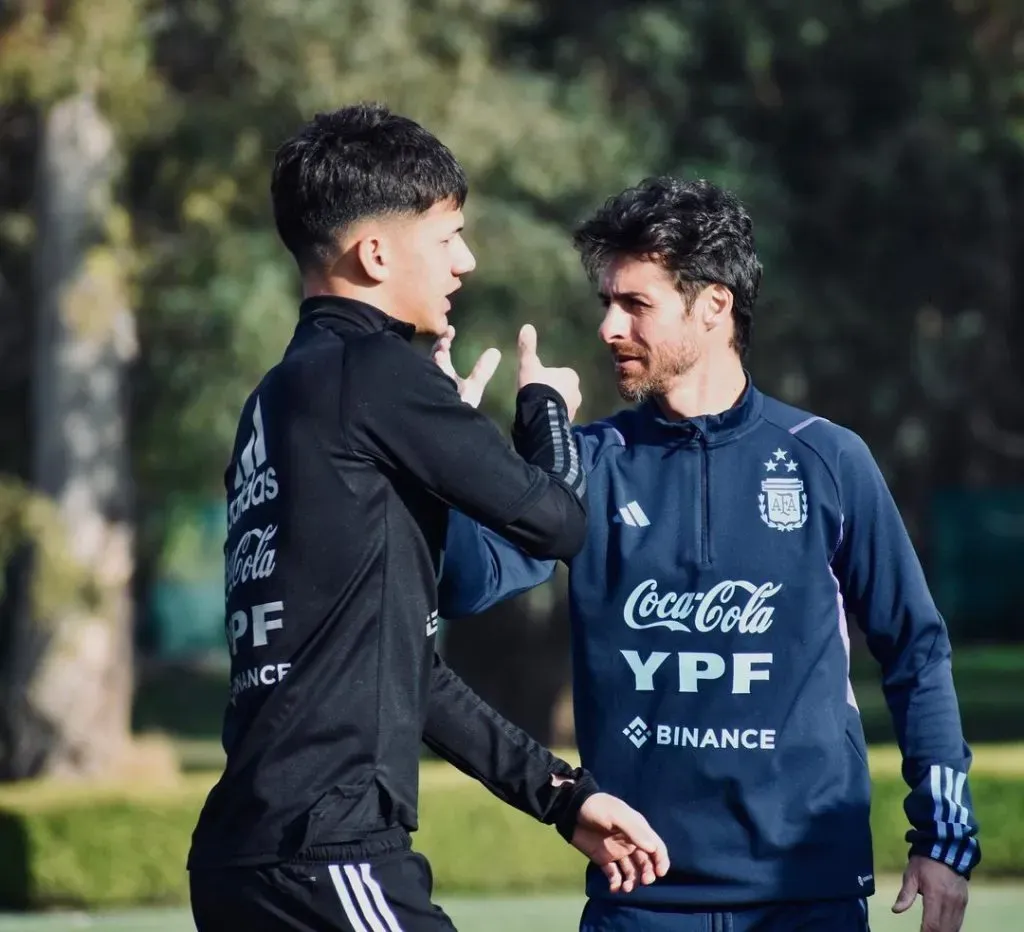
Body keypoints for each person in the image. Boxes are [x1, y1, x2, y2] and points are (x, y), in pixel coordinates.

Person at [436, 177, 980, 932]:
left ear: (714, 305)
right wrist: (448, 446)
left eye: (636, 304)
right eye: (606, 304)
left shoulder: (827, 460)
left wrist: (945, 839)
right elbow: (467, 580)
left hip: (807, 896)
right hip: (639, 898)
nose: (609, 327)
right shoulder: (590, 465)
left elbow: (916, 653)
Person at [186, 104, 669, 932]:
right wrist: (546, 411)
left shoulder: (277, 401)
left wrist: (561, 798)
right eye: (448, 237)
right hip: (326, 854)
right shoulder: (373, 373)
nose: (466, 261)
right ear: (375, 253)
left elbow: (405, 669)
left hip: (249, 860)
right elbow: (556, 523)